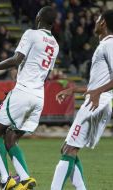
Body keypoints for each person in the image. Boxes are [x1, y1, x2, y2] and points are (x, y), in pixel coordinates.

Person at [0, 6, 59, 190]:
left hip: (23, 91)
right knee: (10, 137)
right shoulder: (55, 45)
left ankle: (5, 179)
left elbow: (16, 59)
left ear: (38, 17)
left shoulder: (31, 34)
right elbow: (46, 73)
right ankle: (25, 178)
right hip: (38, 97)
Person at [51, 10, 113, 190]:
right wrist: (75, 89)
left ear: (103, 23)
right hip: (98, 100)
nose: (95, 21)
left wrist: (97, 93)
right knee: (68, 149)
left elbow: (101, 87)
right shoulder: (105, 44)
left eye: (98, 19)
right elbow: (99, 83)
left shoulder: (109, 45)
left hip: (97, 102)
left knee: (69, 150)